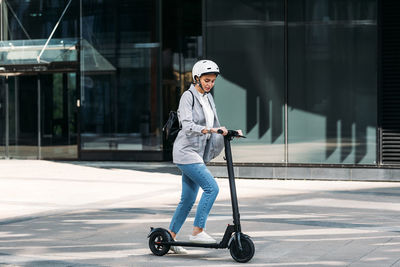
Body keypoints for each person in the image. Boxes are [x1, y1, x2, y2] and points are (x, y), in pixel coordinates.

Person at [168, 60, 242, 254]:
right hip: (186, 152)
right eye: (206, 80)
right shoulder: (188, 96)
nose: (210, 84)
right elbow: (187, 124)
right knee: (211, 188)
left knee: (188, 199)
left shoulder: (208, 98)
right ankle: (198, 231)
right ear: (196, 78)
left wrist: (229, 131)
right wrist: (210, 129)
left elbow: (215, 123)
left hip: (198, 154)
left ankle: (169, 238)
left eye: (212, 81)